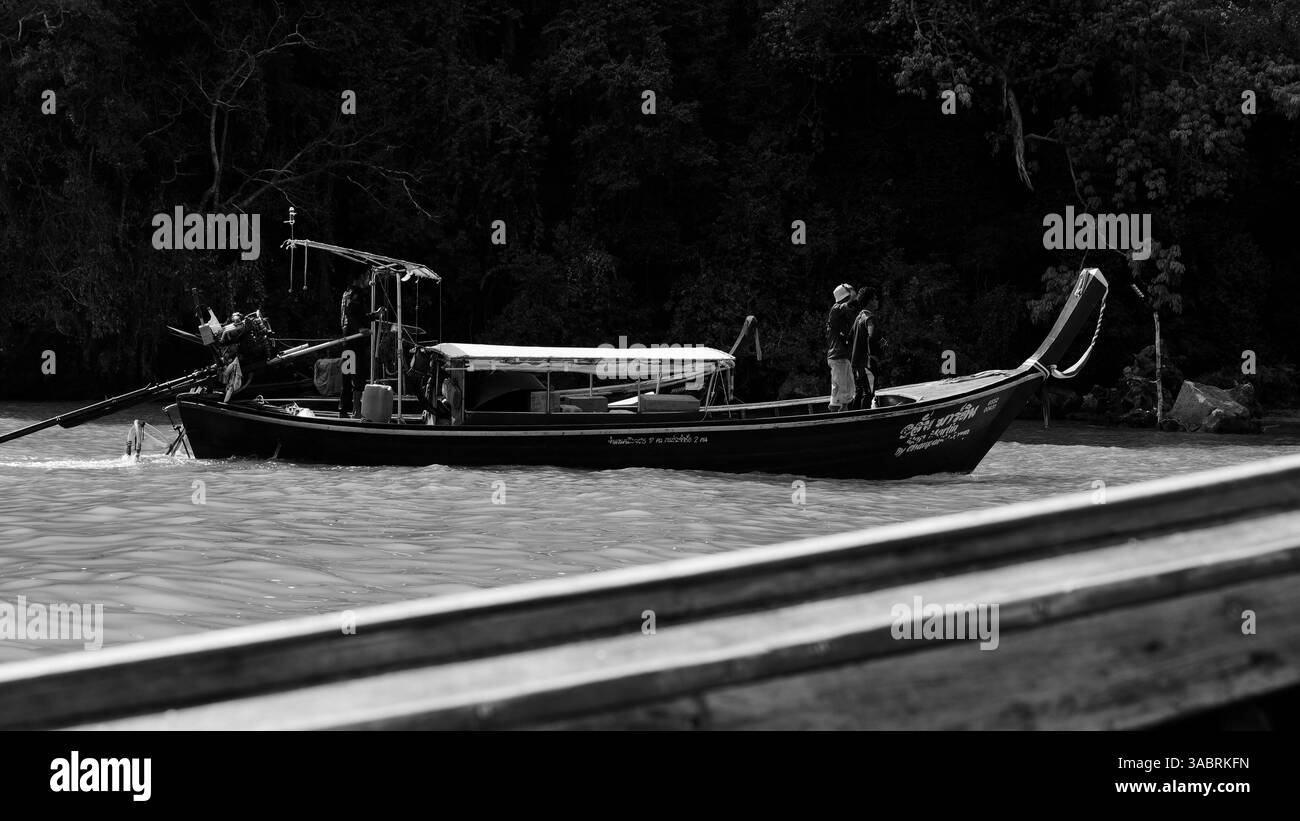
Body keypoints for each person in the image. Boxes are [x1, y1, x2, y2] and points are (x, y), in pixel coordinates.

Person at [338, 270, 383, 418]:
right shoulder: (356, 293)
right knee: (357, 375)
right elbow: (350, 314)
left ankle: (343, 410)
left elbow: (357, 315)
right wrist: (360, 328)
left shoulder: (347, 293)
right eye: (366, 276)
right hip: (354, 341)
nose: (368, 280)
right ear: (360, 277)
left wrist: (374, 315)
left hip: (346, 340)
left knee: (347, 374)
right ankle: (357, 411)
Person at [850, 286, 882, 409]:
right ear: (869, 301)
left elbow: (850, 337)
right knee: (868, 394)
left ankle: (853, 422)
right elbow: (871, 337)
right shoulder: (870, 318)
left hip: (856, 364)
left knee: (859, 393)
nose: (877, 301)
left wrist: (882, 340)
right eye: (875, 299)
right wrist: (874, 355)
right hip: (867, 363)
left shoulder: (858, 317)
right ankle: (865, 424)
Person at [825, 283, 856, 411]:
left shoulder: (842, 312)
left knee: (847, 394)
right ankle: (835, 421)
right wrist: (853, 294)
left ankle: (844, 415)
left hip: (843, 357)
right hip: (838, 358)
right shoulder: (836, 308)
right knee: (838, 396)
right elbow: (849, 305)